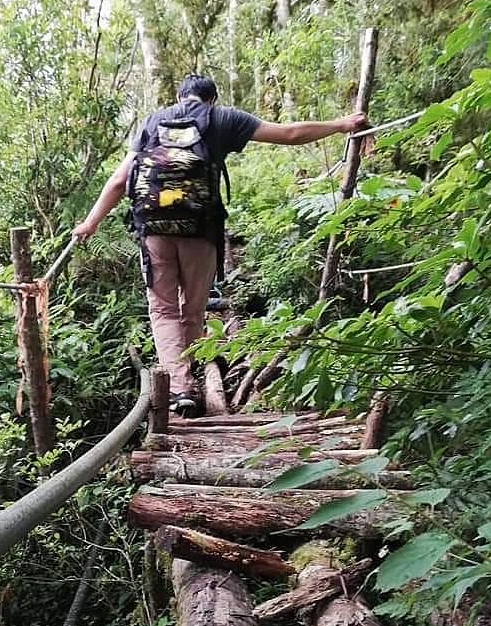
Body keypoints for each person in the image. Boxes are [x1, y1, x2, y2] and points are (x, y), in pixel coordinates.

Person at [73, 73, 367, 417]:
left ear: (179, 96)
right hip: (201, 228)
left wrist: (90, 223)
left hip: (154, 229)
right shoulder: (223, 118)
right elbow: (289, 134)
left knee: (163, 309)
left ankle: (180, 388)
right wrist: (341, 124)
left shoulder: (151, 122)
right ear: (211, 98)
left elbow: (120, 179)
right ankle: (189, 377)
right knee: (193, 307)